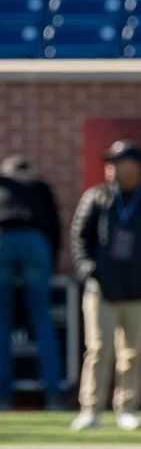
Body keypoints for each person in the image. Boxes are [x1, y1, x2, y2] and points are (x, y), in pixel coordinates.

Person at [70, 140, 141, 431]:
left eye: (119, 162)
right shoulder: (96, 197)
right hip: (101, 290)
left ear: (136, 167)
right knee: (98, 349)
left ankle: (127, 408)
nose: (112, 168)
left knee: (132, 352)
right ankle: (90, 408)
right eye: (110, 163)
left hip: (139, 292)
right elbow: (79, 238)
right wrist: (89, 270)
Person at [0, 156, 64, 410]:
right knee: (42, 319)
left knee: (2, 322)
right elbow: (55, 225)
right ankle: (53, 394)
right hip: (37, 243)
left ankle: (3, 397)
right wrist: (54, 260)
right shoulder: (40, 186)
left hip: (3, 240)